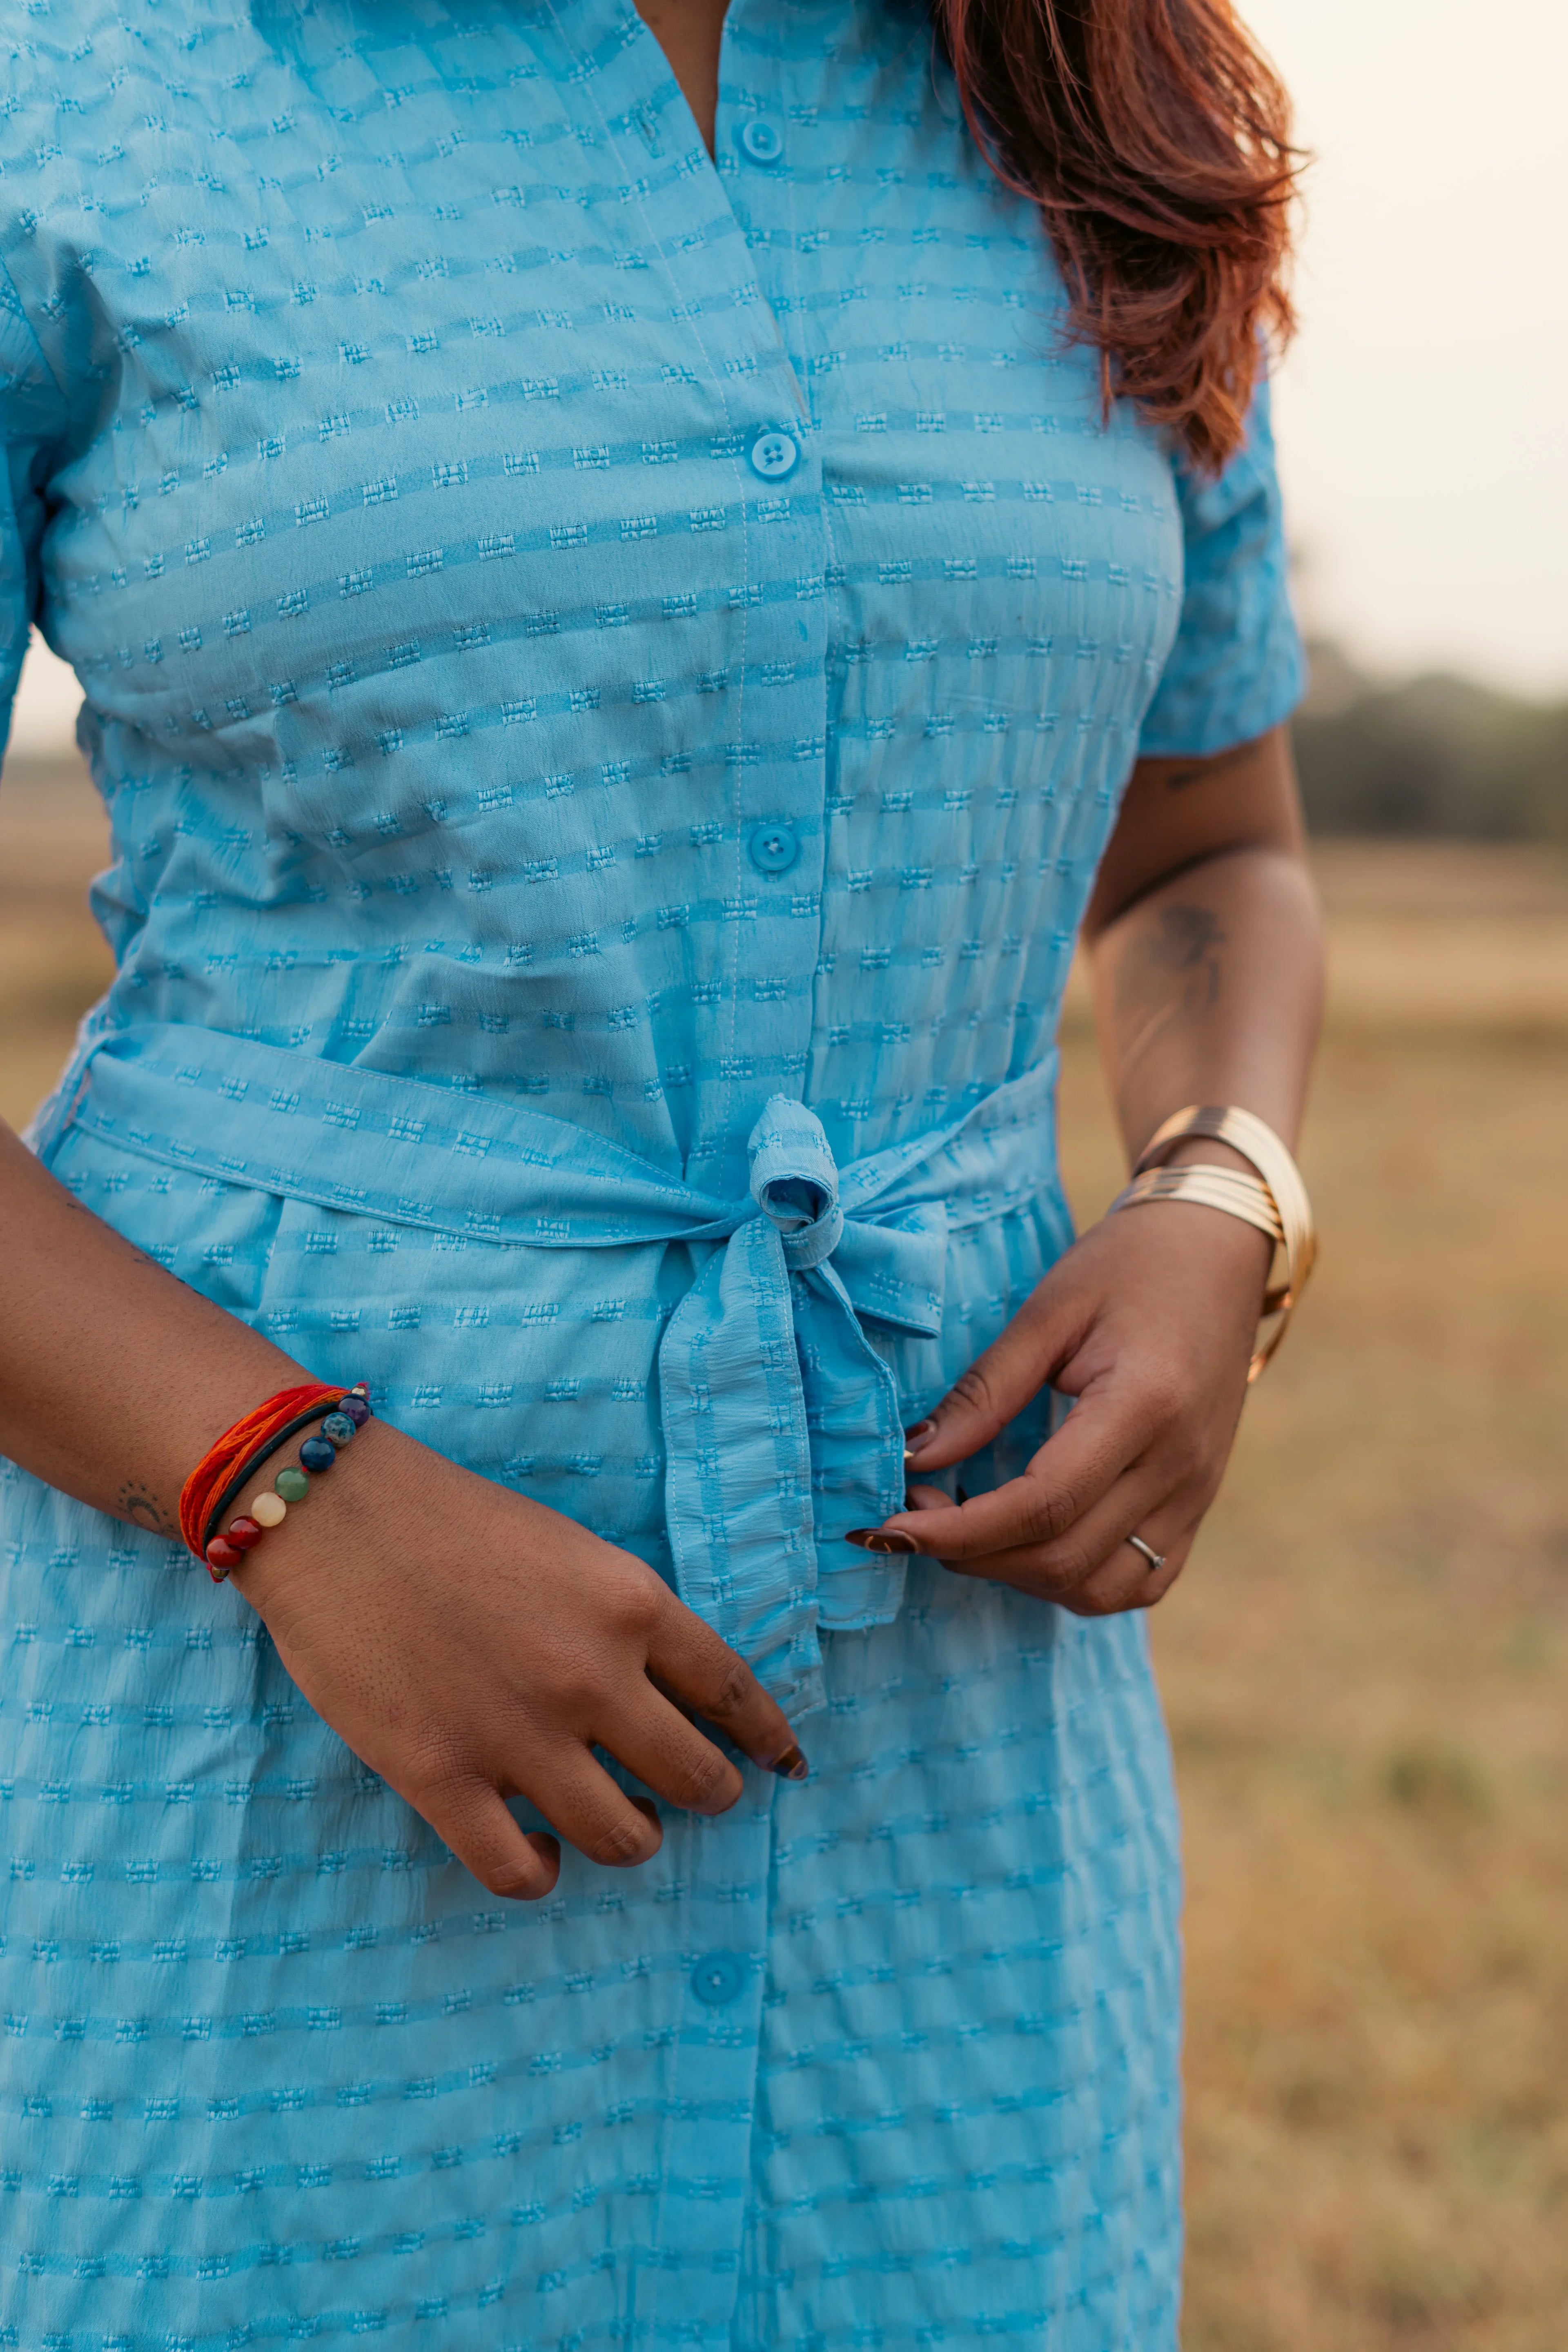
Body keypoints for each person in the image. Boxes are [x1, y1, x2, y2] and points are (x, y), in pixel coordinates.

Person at [0, 0, 1322, 2340]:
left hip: (950, 1730)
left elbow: (1210, 831)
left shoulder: (1100, 84)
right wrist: (282, 1488)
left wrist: (1219, 1188)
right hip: (252, 1677)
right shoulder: (84, 85)